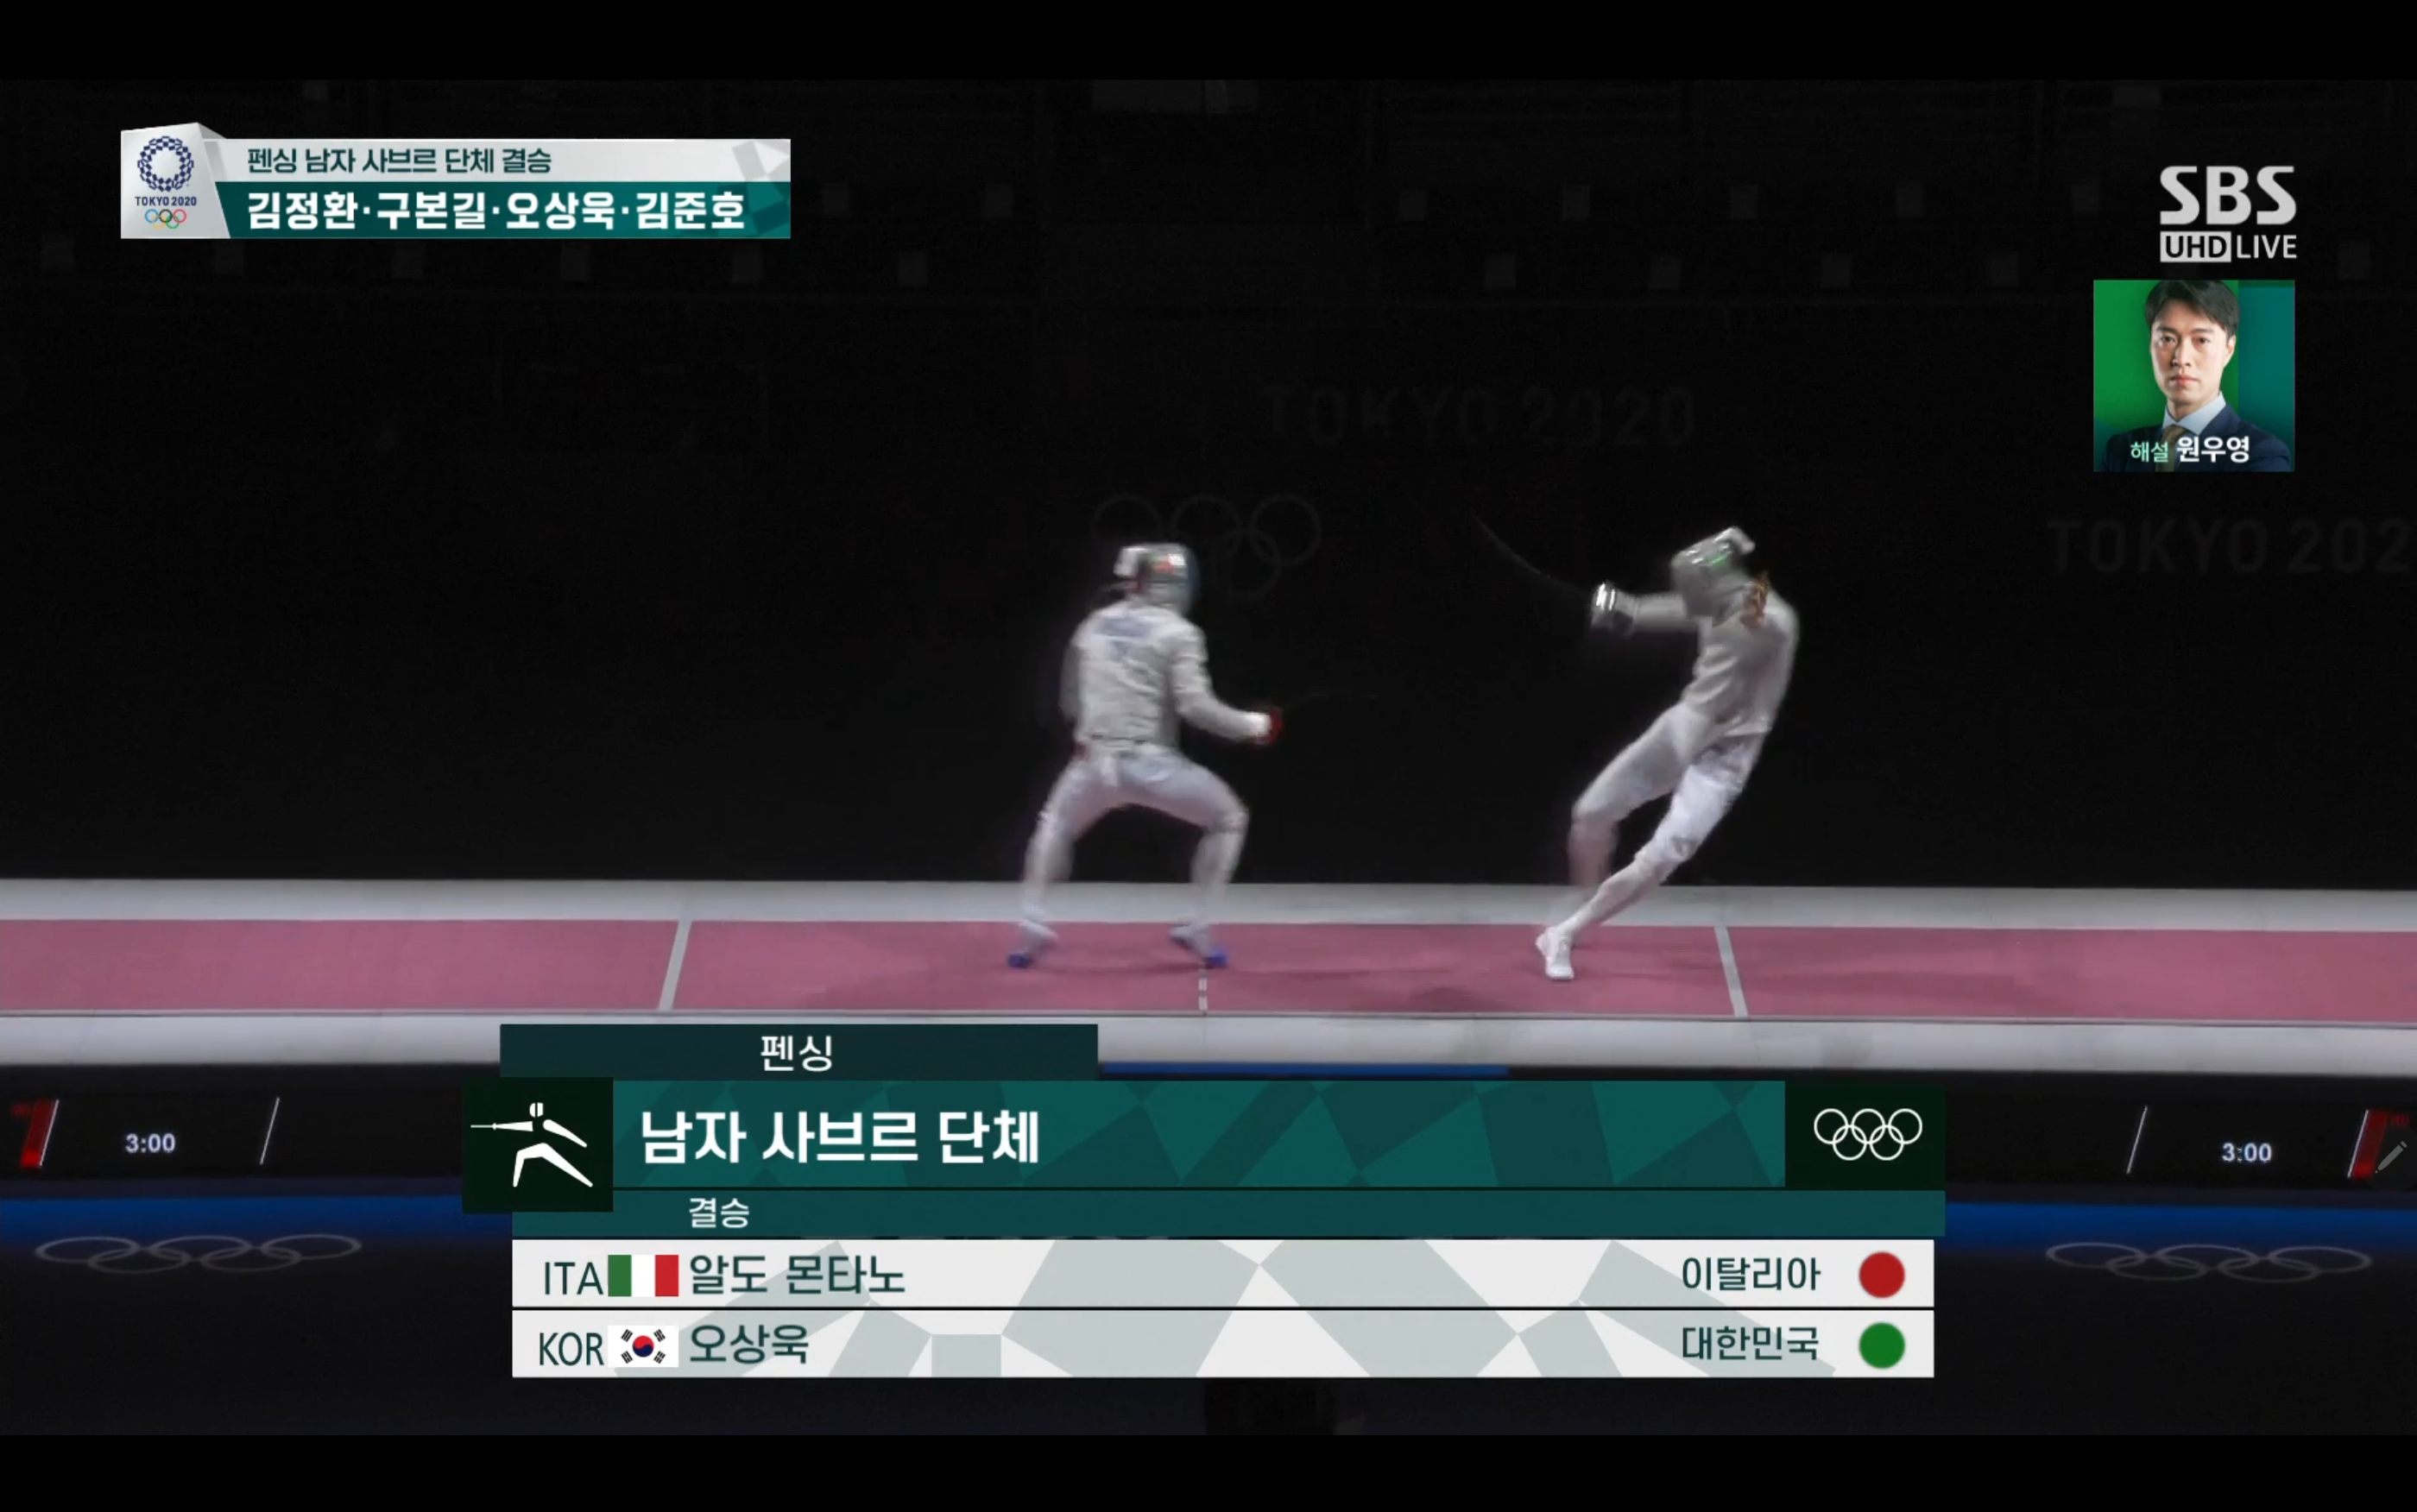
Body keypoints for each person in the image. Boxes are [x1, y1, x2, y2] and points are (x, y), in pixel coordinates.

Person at [1537, 528, 1798, 982]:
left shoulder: (1762, 620)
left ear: (1715, 587)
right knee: (1589, 816)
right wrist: (1632, 610)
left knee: (1660, 857)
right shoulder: (1731, 595)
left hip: (1723, 756)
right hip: (1683, 727)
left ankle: (1565, 932)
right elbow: (1695, 606)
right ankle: (1588, 898)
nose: (1686, 601)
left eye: (1692, 591)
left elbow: (1746, 626)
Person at [1011, 543, 1278, 970]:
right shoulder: (1179, 633)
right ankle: (1199, 925)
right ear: (1176, 584)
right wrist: (1253, 725)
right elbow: (1195, 707)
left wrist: (1088, 731)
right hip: (1151, 765)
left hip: (1092, 763)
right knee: (1229, 819)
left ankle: (1031, 923)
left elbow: (1069, 699)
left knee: (1055, 822)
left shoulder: (1093, 625)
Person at [2099, 279, 2292, 472]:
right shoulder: (2121, 451)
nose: (2182, 359)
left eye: (2202, 340)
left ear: (2229, 349)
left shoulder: (2261, 454)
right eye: (2168, 339)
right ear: (2151, 344)